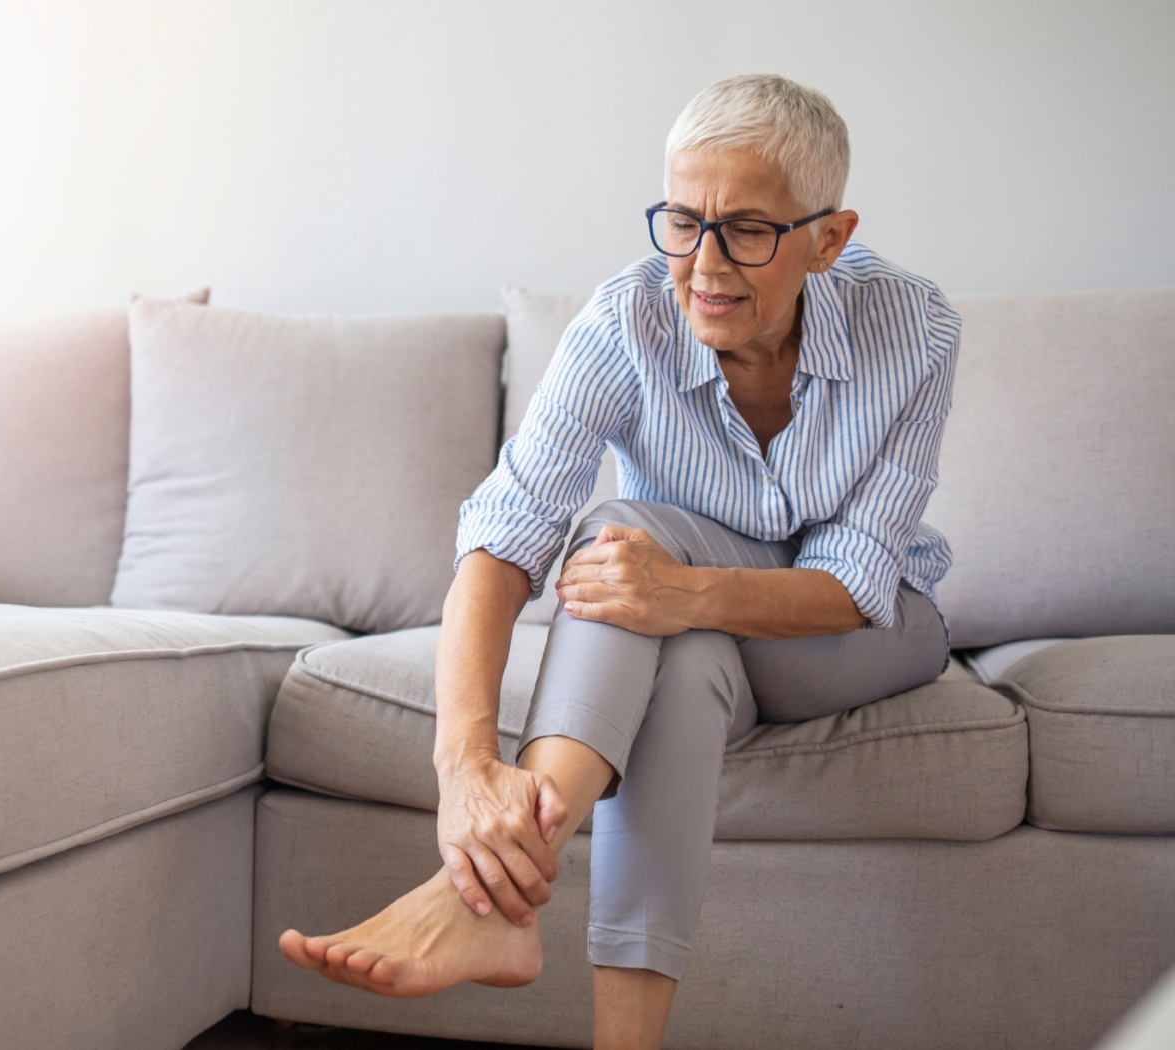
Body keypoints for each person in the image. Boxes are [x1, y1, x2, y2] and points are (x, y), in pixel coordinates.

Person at [279, 72, 959, 1050]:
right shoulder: (622, 321)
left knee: (627, 528)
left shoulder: (915, 328)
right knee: (681, 666)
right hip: (698, 637)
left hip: (870, 629)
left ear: (828, 238)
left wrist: (681, 588)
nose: (704, 265)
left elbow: (854, 583)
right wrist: (466, 768)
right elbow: (504, 536)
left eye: (749, 230)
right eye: (682, 221)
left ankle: (480, 905)